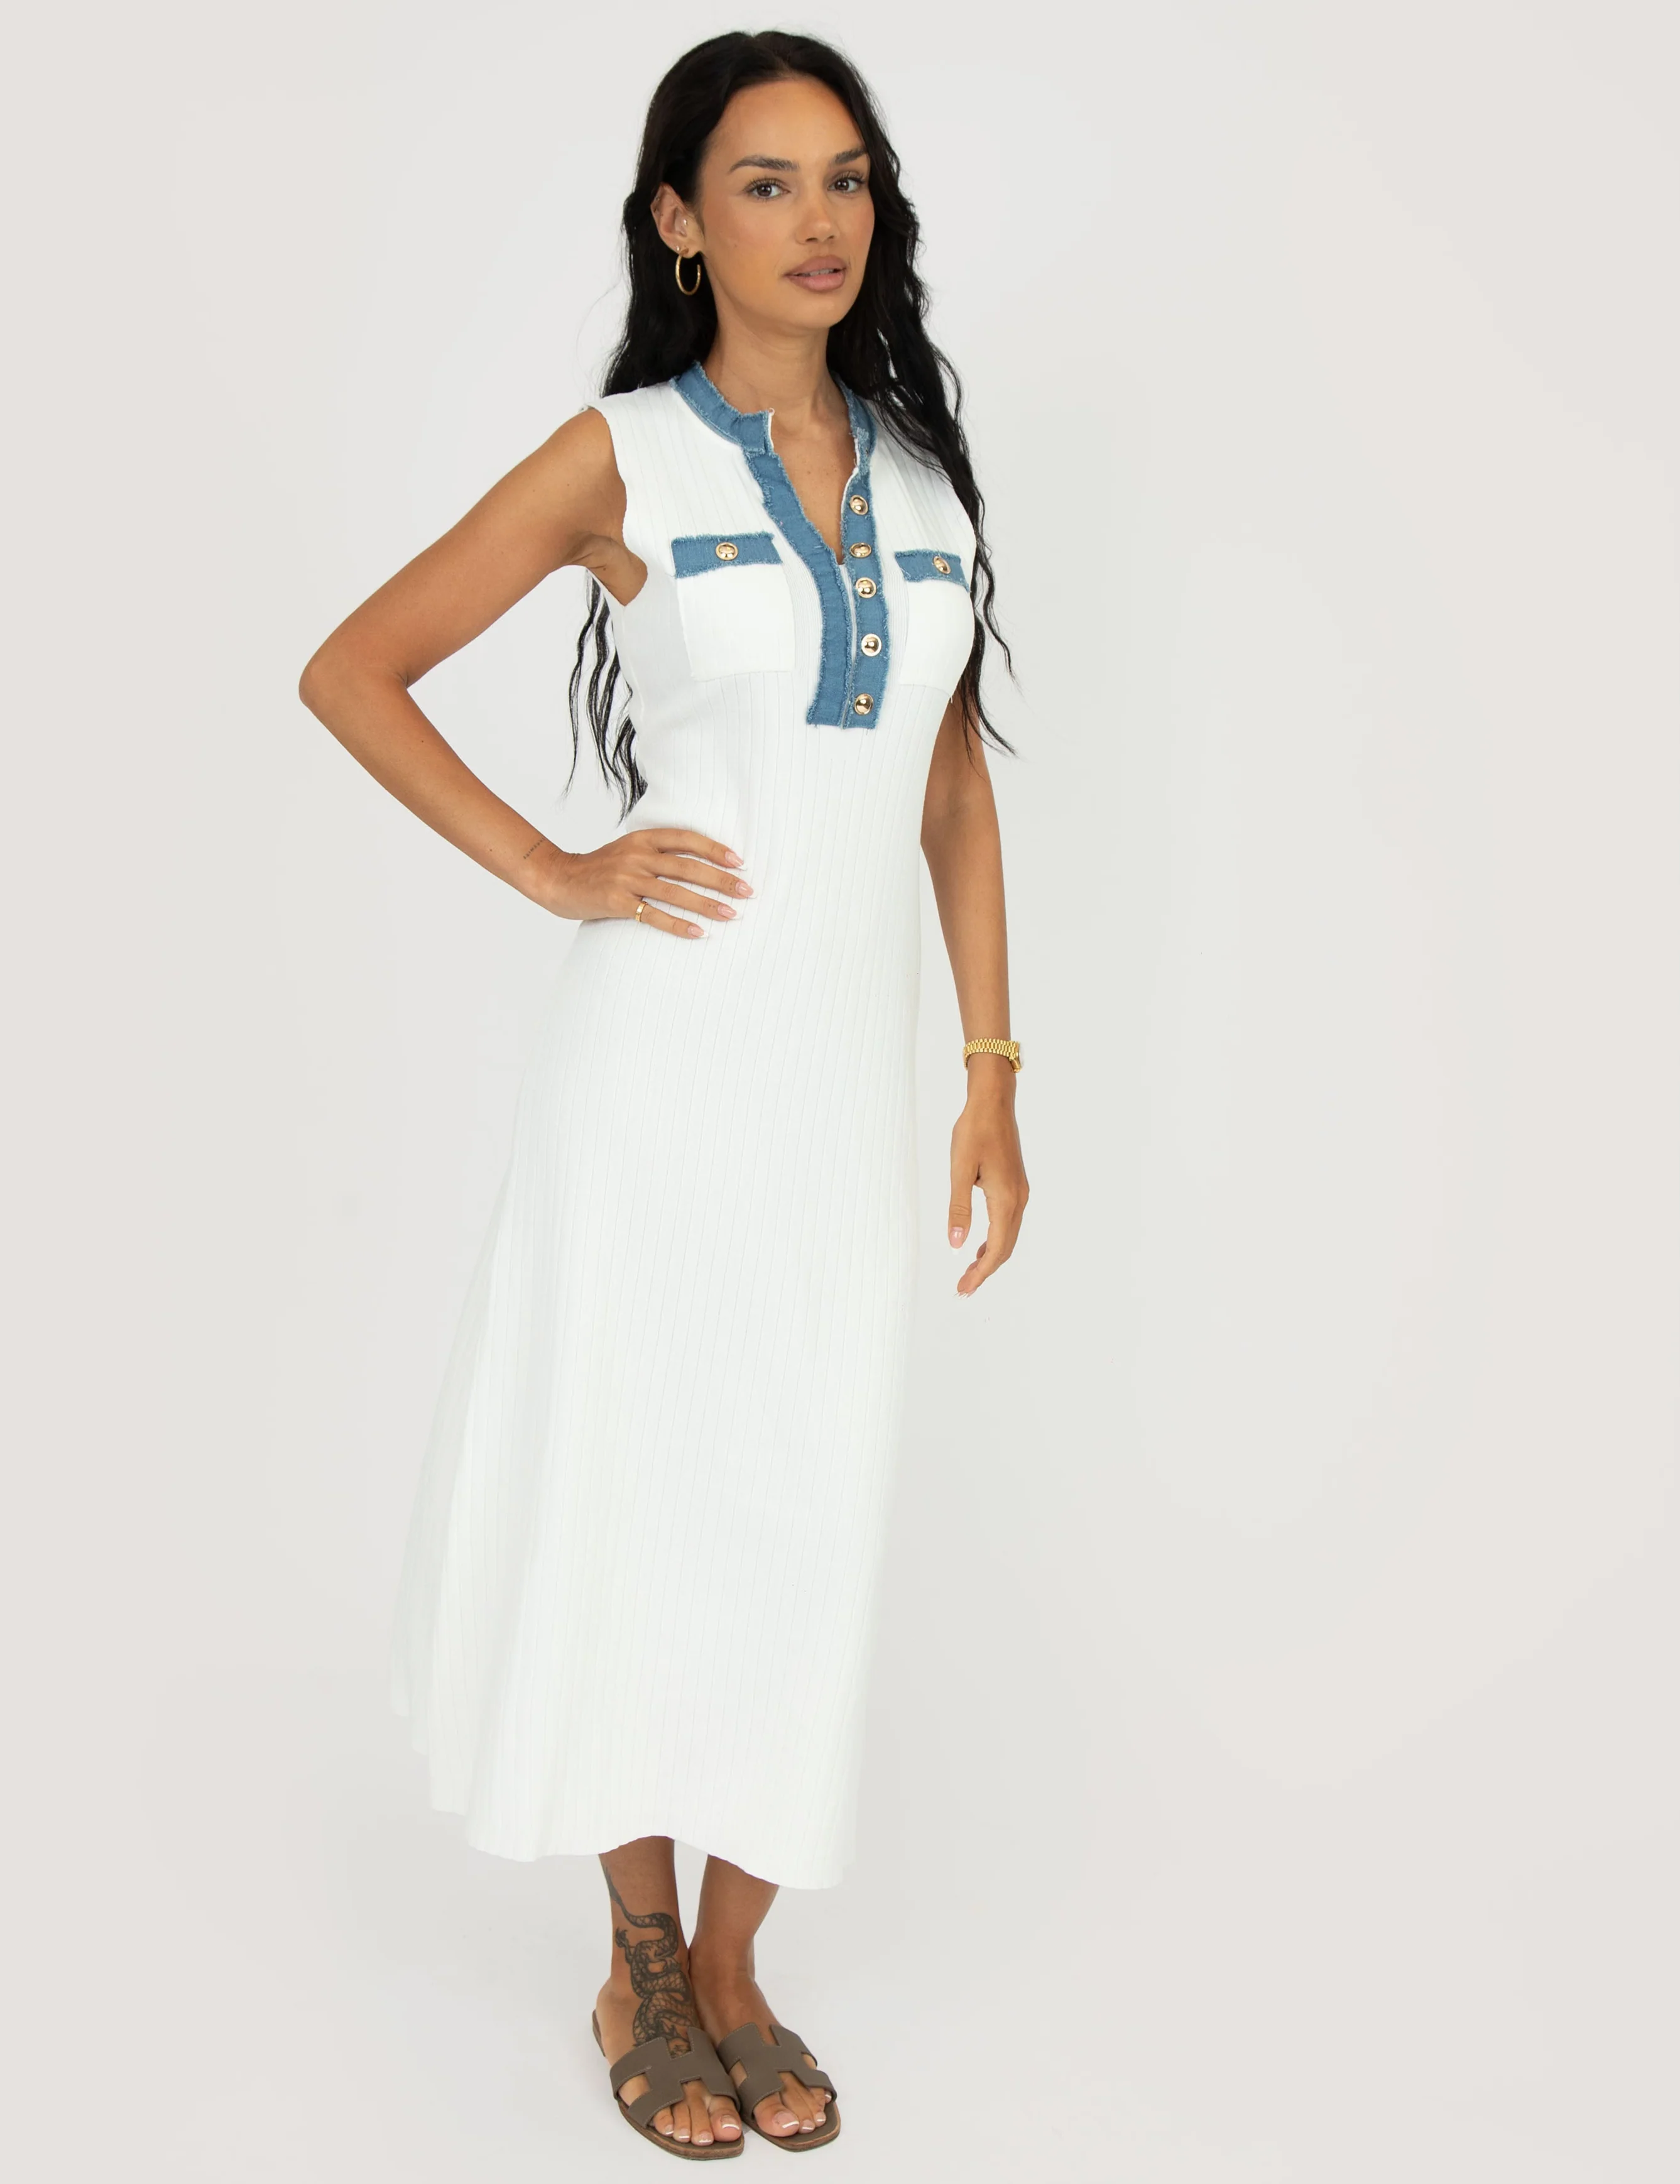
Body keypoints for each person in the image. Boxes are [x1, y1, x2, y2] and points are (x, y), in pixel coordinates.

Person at [298, 29, 1027, 2158]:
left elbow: (952, 791)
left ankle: (735, 1960)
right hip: (655, 1073)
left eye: (846, 178)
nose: (818, 220)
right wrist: (556, 868)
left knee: (807, 1488)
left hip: (840, 1092)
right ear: (677, 220)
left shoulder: (921, 483)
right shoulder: (617, 457)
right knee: (634, 1474)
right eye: (766, 181)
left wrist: (991, 1070)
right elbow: (353, 666)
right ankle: (639, 1954)